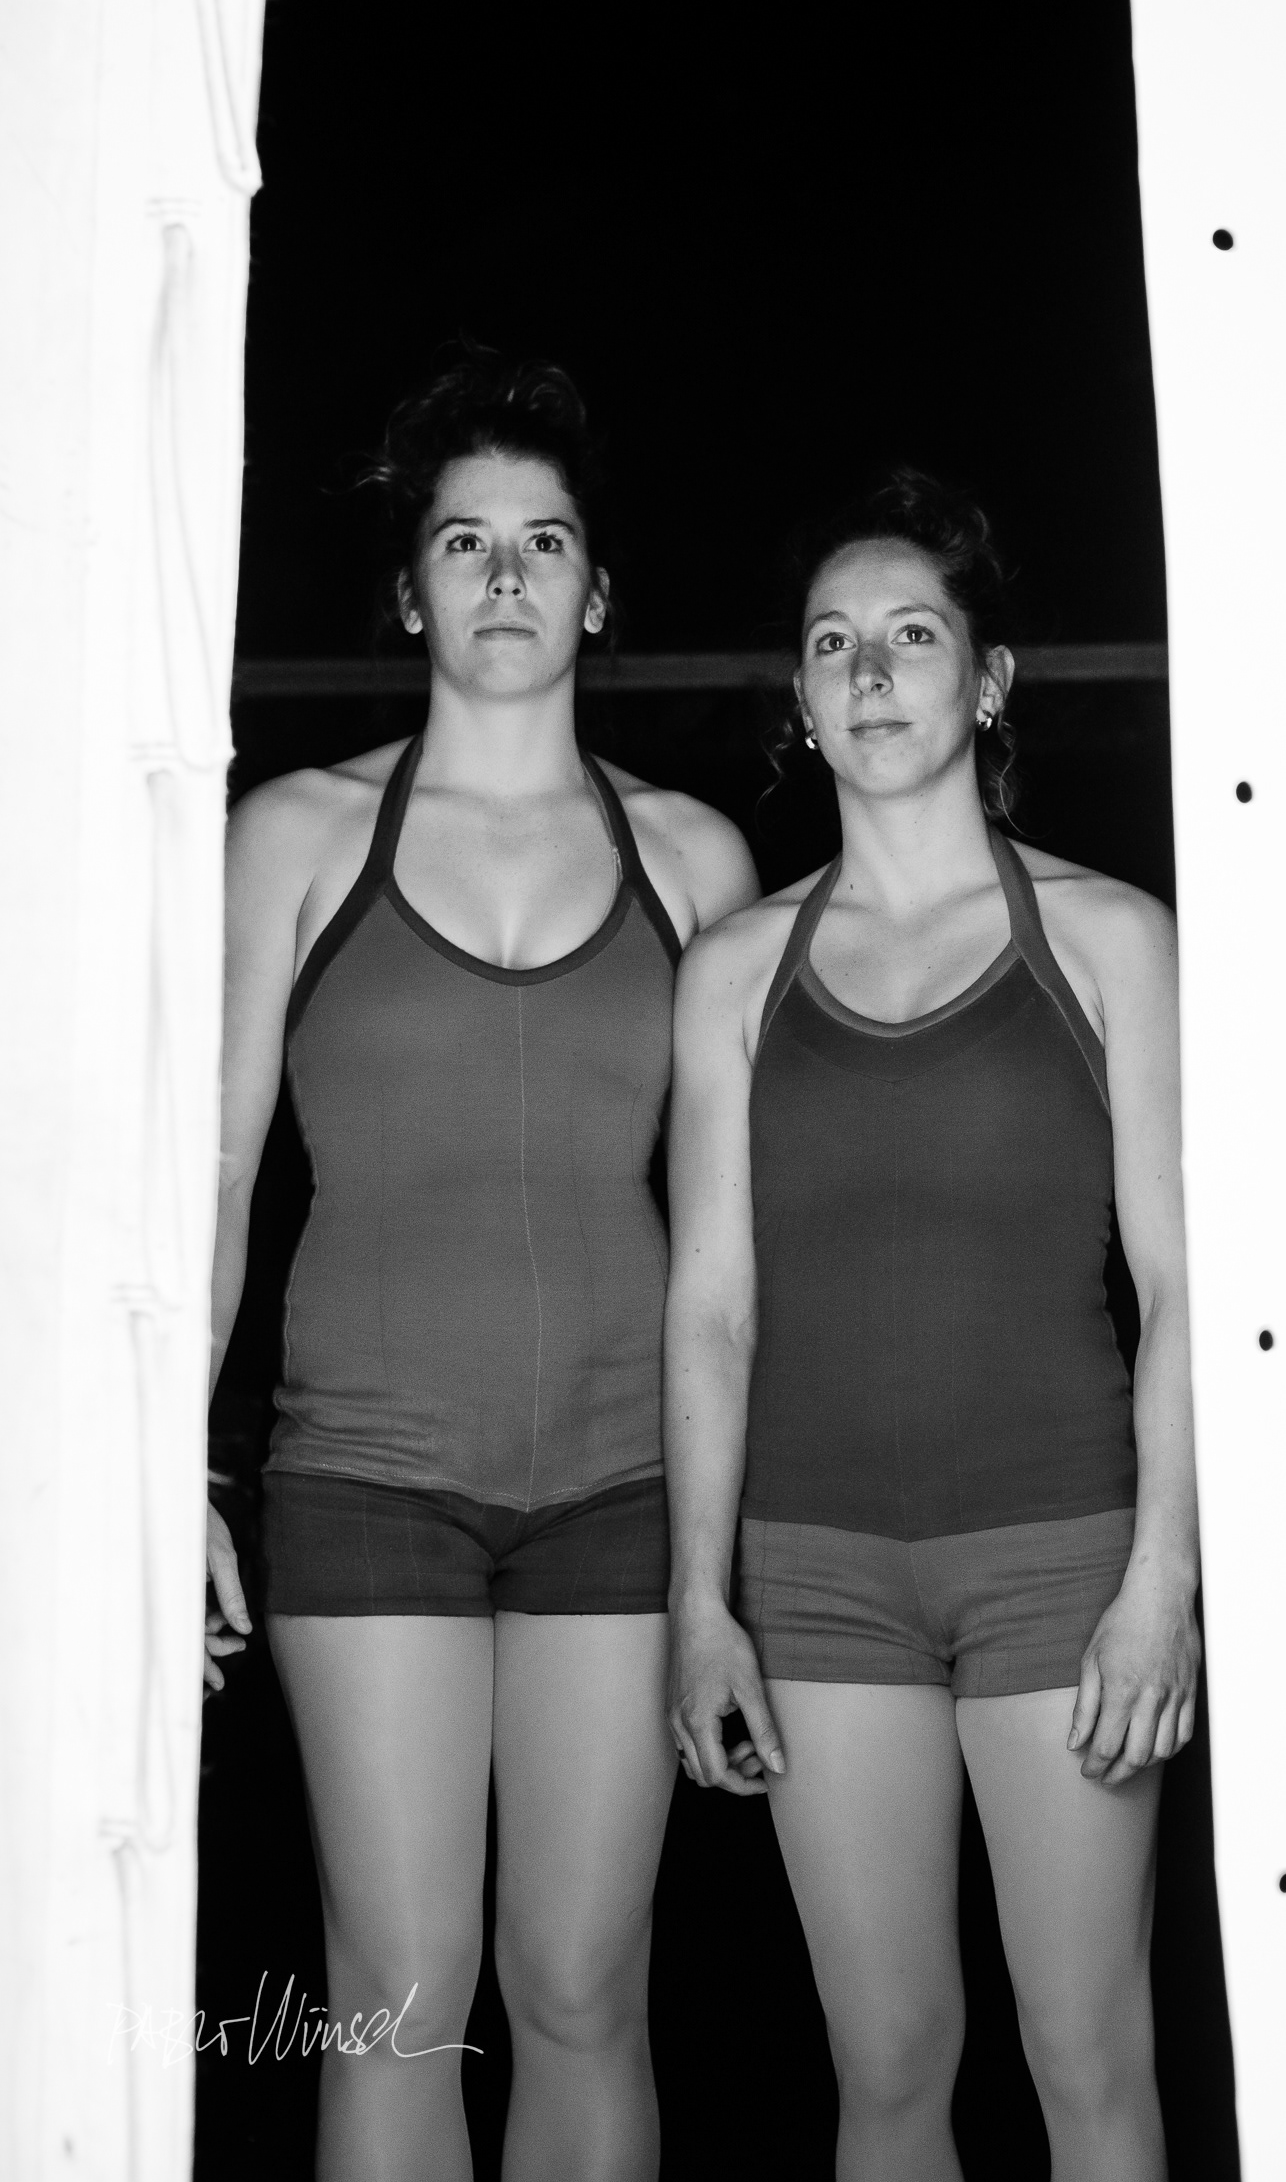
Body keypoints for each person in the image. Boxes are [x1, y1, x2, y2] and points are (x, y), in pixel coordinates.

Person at [204, 350, 758, 2182]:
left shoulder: (692, 859)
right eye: (465, 541)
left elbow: (740, 1241)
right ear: (410, 592)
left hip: (622, 1484)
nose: (505, 575)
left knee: (586, 1990)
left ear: (597, 594)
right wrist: (171, 1465)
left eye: (543, 542)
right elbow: (213, 1177)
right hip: (368, 1477)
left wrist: (740, 1550)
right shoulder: (294, 837)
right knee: (399, 1991)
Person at [664, 472, 1199, 2182]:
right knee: (887, 2067)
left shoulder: (1110, 939)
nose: (872, 672)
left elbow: (1184, 1287)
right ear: (802, 697)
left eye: (911, 636)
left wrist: (1164, 1581)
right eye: (835, 645)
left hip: (1062, 1565)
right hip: (814, 1575)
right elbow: (712, 1308)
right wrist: (699, 1601)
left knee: (1087, 2056)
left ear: (990, 678)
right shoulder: (735, 970)